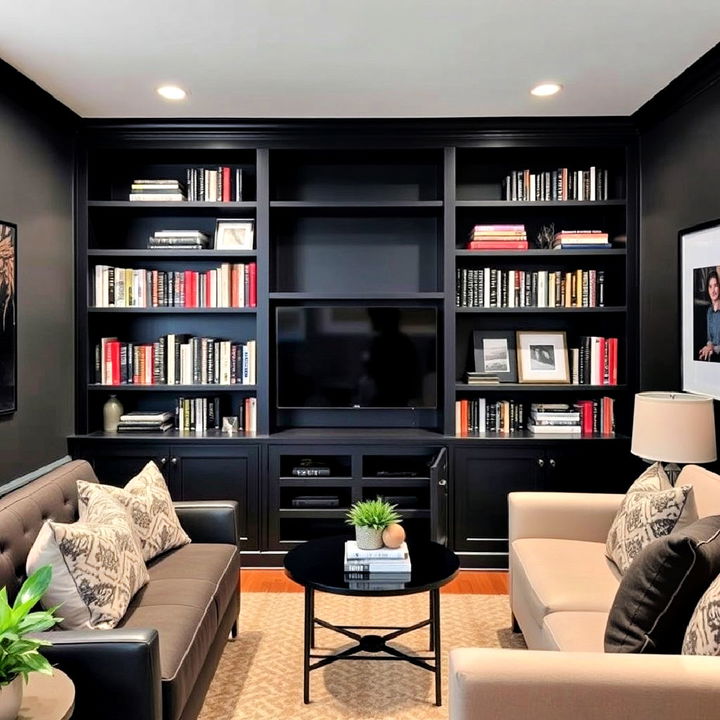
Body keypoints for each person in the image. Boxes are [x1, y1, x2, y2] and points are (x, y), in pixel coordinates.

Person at [698, 269, 720, 361]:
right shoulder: (709, 312)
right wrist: (708, 347)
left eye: (715, 286)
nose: (713, 290)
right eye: (710, 286)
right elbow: (710, 339)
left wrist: (713, 349)